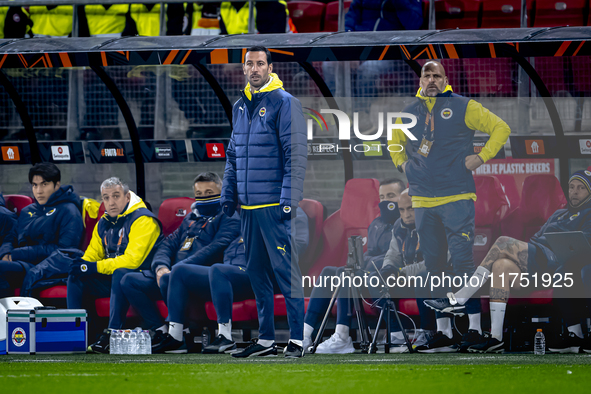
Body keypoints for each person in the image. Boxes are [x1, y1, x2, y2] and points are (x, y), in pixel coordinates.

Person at [389, 60, 511, 352]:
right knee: (433, 265)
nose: (431, 79)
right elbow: (394, 142)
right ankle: (444, 333)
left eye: (436, 75)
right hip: (422, 199)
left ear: (446, 79)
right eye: (426, 75)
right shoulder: (408, 111)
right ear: (420, 80)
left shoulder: (463, 106)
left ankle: (474, 330)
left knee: (462, 261)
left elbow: (501, 128)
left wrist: (480, 158)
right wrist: (402, 164)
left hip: (456, 196)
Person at [425, 170, 591, 353]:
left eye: (581, 188)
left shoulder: (588, 213)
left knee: (503, 242)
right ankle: (496, 337)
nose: (574, 192)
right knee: (501, 266)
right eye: (572, 187)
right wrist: (523, 251)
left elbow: (584, 246)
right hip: (538, 261)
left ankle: (461, 297)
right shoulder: (559, 214)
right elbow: (536, 239)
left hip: (559, 263)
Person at [221, 46, 307, 358]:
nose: (254, 69)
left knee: (287, 273)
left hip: (274, 206)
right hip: (247, 209)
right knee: (256, 274)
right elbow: (233, 156)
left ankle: (297, 340)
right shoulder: (239, 106)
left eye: (260, 63)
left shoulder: (285, 103)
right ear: (243, 68)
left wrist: (289, 199)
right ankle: (267, 339)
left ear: (270, 68)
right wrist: (228, 193)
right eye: (249, 64)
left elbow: (296, 155)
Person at [121, 172, 240, 353]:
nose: (204, 198)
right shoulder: (191, 218)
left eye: (209, 193)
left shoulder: (229, 216)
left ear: (221, 192)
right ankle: (162, 331)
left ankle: (178, 337)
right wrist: (161, 267)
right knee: (129, 280)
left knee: (178, 274)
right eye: (199, 194)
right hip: (173, 277)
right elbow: (167, 244)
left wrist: (177, 269)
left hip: (205, 279)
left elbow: (218, 247)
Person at [67, 177, 163, 353]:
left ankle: (112, 334)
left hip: (145, 278)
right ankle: (77, 336)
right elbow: (91, 255)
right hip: (115, 277)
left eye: (116, 196)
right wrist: (83, 266)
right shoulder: (103, 222)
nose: (111, 202)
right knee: (76, 276)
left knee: (121, 272)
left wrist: (95, 267)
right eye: (106, 197)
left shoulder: (143, 219)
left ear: (127, 197)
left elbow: (132, 261)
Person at [202, 207, 309, 354]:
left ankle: (295, 342)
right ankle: (264, 341)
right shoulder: (248, 213)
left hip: (274, 272)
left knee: (219, 271)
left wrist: (269, 258)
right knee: (191, 271)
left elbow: (298, 245)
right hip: (247, 270)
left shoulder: (291, 210)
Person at [0, 163, 83, 298]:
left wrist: (17, 254)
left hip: (45, 267)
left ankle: (9, 316)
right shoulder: (28, 211)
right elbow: (11, 237)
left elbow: (65, 250)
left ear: (56, 185)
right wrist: (6, 252)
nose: (39, 190)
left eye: (44, 184)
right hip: (21, 263)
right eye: (35, 185)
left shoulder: (69, 210)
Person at [344, 0, 423, 32]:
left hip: (391, 48)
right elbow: (351, 18)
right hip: (361, 44)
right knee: (332, 63)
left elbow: (414, 25)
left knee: (369, 67)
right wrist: (348, 46)